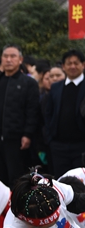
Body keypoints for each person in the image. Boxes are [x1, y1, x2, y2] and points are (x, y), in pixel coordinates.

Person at [0, 45, 40, 186]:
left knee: (16, 177)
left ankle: (16, 206)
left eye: (13, 56)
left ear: (20, 59)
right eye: (5, 56)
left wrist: (28, 134)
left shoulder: (28, 83)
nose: (9, 60)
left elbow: (32, 111)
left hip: (15, 138)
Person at [43, 49, 85, 177]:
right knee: (61, 182)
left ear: (83, 65)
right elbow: (48, 113)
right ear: (63, 66)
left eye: (76, 63)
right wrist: (50, 139)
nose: (72, 66)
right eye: (69, 63)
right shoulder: (56, 87)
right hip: (58, 146)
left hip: (81, 146)